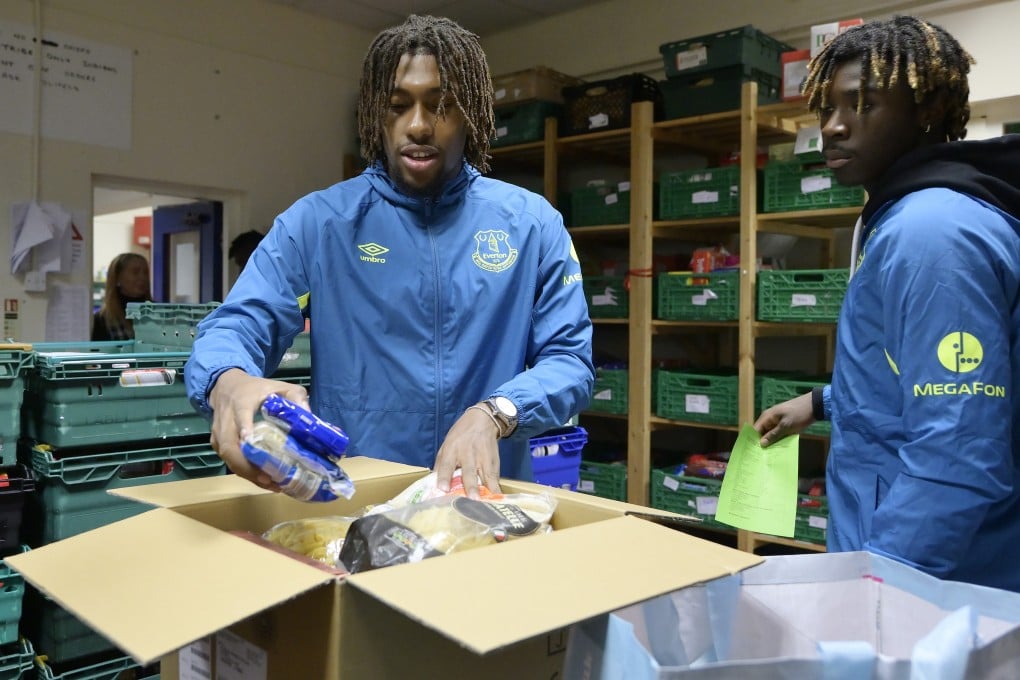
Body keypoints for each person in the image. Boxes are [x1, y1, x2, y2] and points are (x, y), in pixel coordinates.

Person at [184, 15, 594, 499]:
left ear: (474, 115)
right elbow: (237, 325)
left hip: (484, 505)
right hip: (353, 507)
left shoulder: (531, 225)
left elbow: (570, 361)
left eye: (440, 106)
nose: (417, 125)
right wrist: (228, 380)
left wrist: (497, 412)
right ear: (376, 115)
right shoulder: (317, 225)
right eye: (397, 106)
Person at [753, 16, 1020, 591]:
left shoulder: (930, 233)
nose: (833, 127)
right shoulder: (906, 214)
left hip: (935, 584)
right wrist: (826, 401)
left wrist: (876, 588)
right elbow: (920, 369)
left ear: (926, 111)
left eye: (863, 106)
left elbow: (958, 454)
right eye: (827, 109)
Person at [91, 252, 152, 341]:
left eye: (145, 272)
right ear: (117, 278)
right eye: (135, 272)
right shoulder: (102, 320)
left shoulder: (158, 313)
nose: (142, 277)